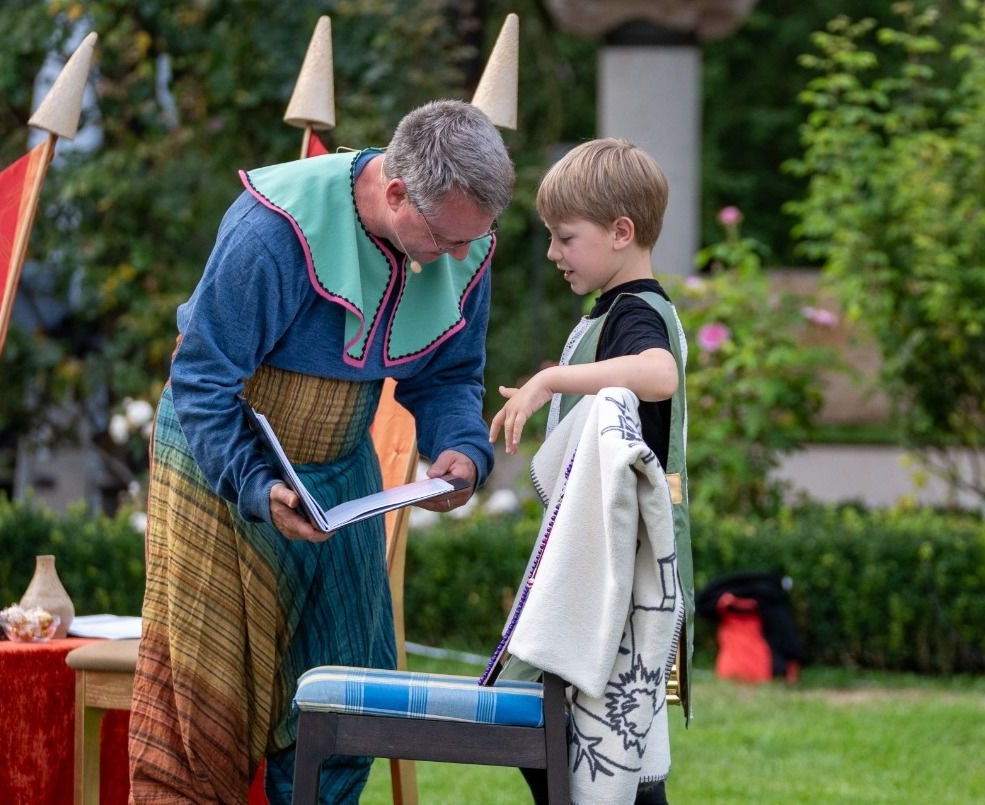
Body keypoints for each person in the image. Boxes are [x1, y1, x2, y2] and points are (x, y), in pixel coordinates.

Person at [129, 99, 514, 804]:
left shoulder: (464, 239)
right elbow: (201, 380)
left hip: (340, 470)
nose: (461, 257)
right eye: (447, 239)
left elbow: (451, 374)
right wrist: (253, 484)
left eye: (474, 239)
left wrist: (460, 446)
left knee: (346, 694)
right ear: (396, 193)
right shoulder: (270, 233)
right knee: (203, 702)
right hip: (222, 466)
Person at [489, 138, 692, 805]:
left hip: (619, 583)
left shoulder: (637, 312)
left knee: (565, 727)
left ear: (621, 232)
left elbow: (658, 374)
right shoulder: (612, 312)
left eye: (565, 237)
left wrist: (551, 379)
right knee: (608, 748)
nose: (553, 253)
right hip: (608, 574)